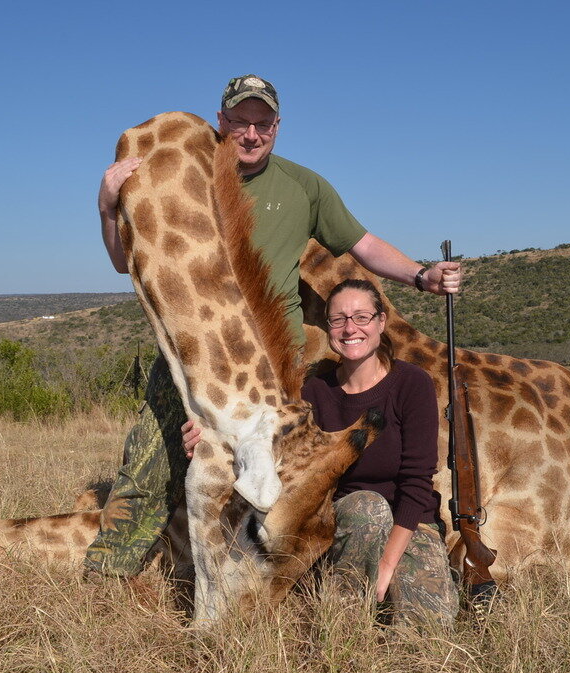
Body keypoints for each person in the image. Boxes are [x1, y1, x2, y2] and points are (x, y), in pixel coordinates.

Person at [85, 74, 462, 579]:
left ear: (278, 127)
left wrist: (421, 275)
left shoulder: (304, 186)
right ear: (222, 122)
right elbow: (122, 262)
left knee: (278, 478)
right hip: (196, 357)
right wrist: (107, 208)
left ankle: (274, 578)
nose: (251, 134)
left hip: (278, 363)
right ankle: (109, 576)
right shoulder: (185, 179)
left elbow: (363, 244)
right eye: (240, 122)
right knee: (153, 459)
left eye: (262, 124)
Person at [183, 279, 458, 626]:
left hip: (409, 522)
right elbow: (270, 442)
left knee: (430, 628)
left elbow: (417, 482)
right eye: (339, 319)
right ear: (329, 327)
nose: (350, 328)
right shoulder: (314, 390)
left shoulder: (412, 383)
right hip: (348, 519)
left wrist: (389, 563)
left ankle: (386, 589)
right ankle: (346, 614)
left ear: (381, 323)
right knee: (366, 507)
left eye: (361, 317)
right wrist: (206, 440)